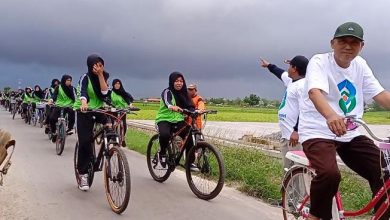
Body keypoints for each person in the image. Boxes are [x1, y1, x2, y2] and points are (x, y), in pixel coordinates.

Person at [299, 22, 390, 220]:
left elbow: (381, 95)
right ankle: (316, 216)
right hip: (318, 131)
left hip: (350, 132)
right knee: (330, 174)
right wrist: (331, 115)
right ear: (333, 43)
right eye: (342, 41)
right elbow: (315, 92)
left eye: (354, 42)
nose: (348, 46)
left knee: (384, 169)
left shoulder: (360, 65)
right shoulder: (320, 61)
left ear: (361, 46)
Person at [260, 56, 309, 171]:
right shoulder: (291, 81)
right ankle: (289, 189)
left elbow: (305, 110)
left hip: (295, 138)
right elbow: (280, 73)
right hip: (286, 135)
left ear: (294, 68)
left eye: (290, 65)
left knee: (298, 169)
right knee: (288, 170)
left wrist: (296, 130)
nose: (287, 68)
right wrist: (269, 66)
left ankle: (300, 189)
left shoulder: (303, 86)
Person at [73, 54, 109, 191]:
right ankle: (82, 174)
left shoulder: (104, 77)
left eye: (100, 65)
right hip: (84, 110)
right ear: (89, 66)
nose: (97, 67)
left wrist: (100, 75)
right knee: (85, 141)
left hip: (98, 109)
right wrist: (83, 102)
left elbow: (105, 93)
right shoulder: (85, 77)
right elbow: (82, 91)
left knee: (110, 125)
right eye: (95, 65)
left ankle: (112, 150)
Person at [155, 72, 195, 169]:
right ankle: (162, 154)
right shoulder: (167, 91)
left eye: (181, 81)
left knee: (189, 135)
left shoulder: (184, 94)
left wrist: (196, 111)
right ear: (172, 82)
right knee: (165, 135)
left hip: (177, 120)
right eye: (176, 81)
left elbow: (190, 106)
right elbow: (167, 101)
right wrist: (171, 106)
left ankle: (189, 162)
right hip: (164, 119)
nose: (179, 83)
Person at [49, 75, 76, 142]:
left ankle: (70, 128)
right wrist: (51, 100)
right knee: (52, 119)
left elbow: (76, 98)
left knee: (72, 115)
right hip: (59, 105)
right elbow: (54, 95)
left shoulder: (73, 89)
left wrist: (77, 105)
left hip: (69, 105)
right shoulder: (58, 87)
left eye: (70, 80)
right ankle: (54, 132)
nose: (69, 82)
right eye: (67, 80)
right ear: (64, 80)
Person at [109, 79, 134, 147]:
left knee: (124, 125)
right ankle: (114, 137)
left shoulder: (123, 93)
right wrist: (109, 106)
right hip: (114, 110)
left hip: (123, 110)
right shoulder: (111, 93)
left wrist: (130, 105)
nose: (117, 85)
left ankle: (123, 139)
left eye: (119, 83)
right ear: (113, 85)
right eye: (116, 84)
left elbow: (129, 100)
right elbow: (108, 100)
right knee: (114, 124)